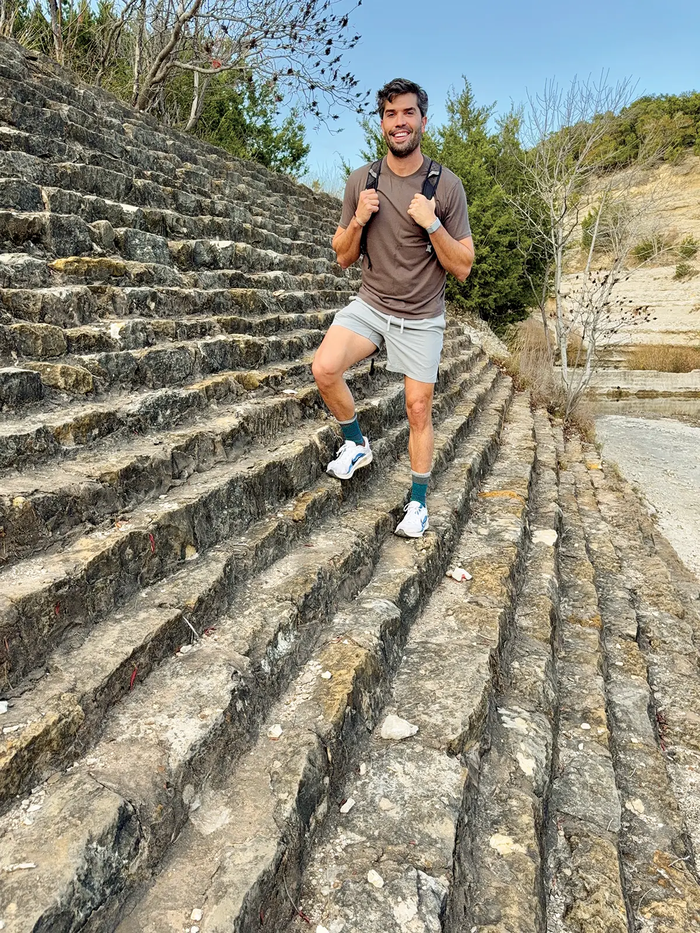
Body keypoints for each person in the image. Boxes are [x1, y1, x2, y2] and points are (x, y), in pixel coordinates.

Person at [311, 77, 475, 538]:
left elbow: (462, 266)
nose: (399, 122)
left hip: (422, 315)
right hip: (372, 304)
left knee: (418, 408)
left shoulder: (447, 187)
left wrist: (433, 224)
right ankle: (355, 443)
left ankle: (418, 503)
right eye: (390, 114)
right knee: (324, 368)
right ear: (382, 123)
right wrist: (360, 218)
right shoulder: (362, 180)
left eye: (407, 113)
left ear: (423, 119)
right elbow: (343, 256)